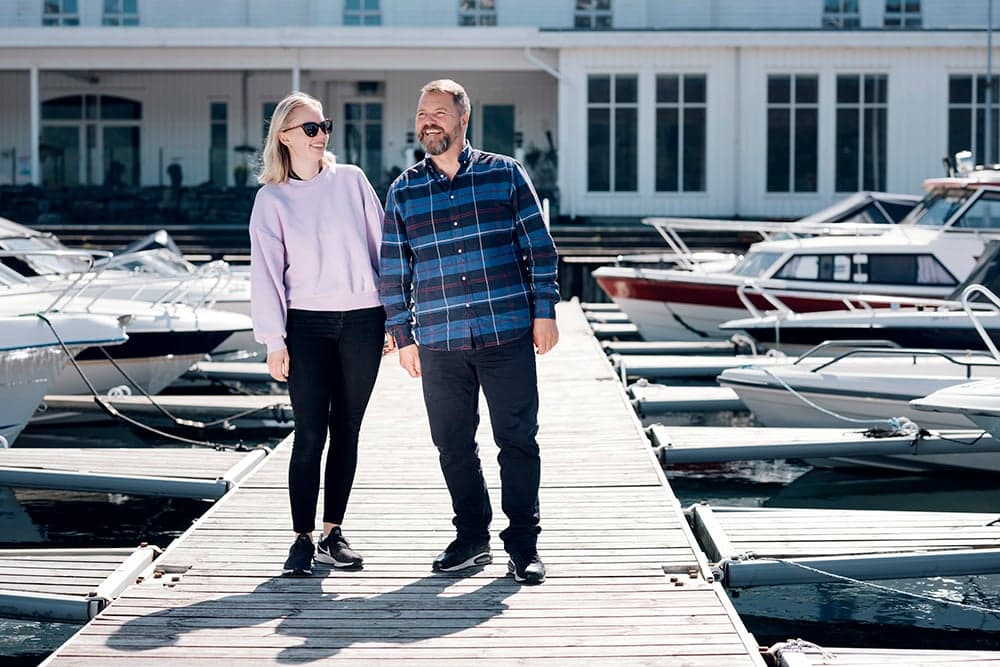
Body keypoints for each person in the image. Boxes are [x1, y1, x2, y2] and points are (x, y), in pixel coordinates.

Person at [379, 79, 560, 585]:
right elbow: (393, 270)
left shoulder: (504, 174)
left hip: (506, 331)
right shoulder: (404, 190)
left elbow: (539, 248)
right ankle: (472, 537)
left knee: (518, 440)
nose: (428, 121)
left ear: (463, 119)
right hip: (438, 339)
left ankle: (524, 544)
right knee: (453, 444)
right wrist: (402, 334)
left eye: (439, 111)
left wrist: (544, 309)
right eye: (422, 113)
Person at [249, 91, 389, 576]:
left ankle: (333, 533)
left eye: (324, 125)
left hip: (364, 320)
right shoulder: (271, 200)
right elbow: (265, 275)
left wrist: (393, 318)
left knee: (347, 430)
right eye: (310, 128)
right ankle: (301, 539)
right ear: (284, 138)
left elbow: (384, 251)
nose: (321, 135)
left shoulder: (351, 181)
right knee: (310, 434)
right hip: (305, 325)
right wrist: (273, 340)